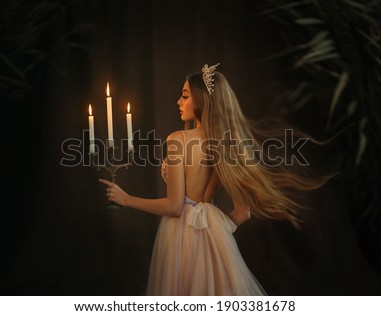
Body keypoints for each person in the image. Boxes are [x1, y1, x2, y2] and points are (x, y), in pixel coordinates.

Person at [99, 63, 328, 295]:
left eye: (185, 95)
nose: (179, 102)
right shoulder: (228, 145)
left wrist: (127, 199)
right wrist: (215, 230)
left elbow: (175, 206)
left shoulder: (179, 140)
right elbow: (242, 213)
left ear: (202, 100)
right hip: (215, 239)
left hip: (181, 238)